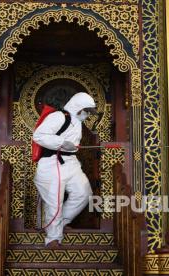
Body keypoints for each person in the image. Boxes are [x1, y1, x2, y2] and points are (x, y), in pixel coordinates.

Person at [33, 92, 97, 247]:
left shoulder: (78, 122)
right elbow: (38, 136)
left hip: (71, 162)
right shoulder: (59, 117)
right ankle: (53, 239)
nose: (87, 115)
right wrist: (61, 142)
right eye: (86, 111)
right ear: (77, 108)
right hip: (52, 162)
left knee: (84, 193)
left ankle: (59, 224)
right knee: (55, 202)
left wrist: (69, 146)